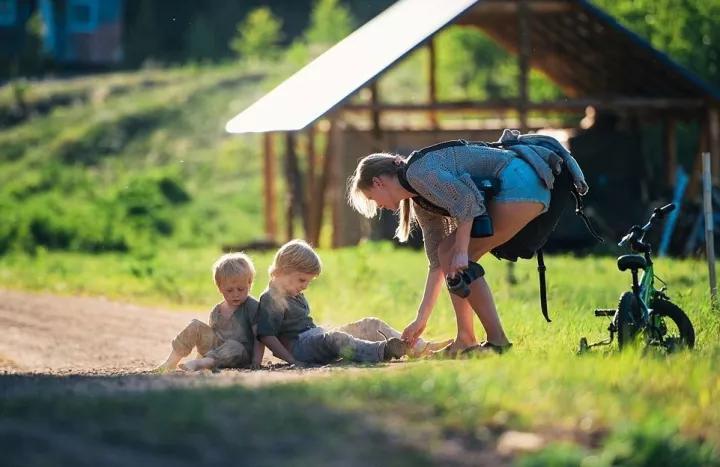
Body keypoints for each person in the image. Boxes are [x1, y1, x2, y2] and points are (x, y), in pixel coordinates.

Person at [347, 130, 588, 357]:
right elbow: (437, 263)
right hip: (525, 185)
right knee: (446, 254)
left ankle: (495, 343)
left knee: (456, 258)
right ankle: (466, 339)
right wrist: (421, 319)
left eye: (371, 197)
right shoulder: (420, 196)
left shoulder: (417, 173)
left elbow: (466, 203)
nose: (376, 205)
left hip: (521, 184)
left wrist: (462, 252)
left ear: (378, 182)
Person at [256, 239, 413, 365]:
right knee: (336, 338)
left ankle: (414, 346)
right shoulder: (271, 298)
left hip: (315, 336)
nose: (305, 286)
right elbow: (266, 336)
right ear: (283, 270)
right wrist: (292, 360)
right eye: (302, 280)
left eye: (308, 282)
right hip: (300, 347)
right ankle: (383, 350)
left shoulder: (293, 292)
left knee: (370, 324)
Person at [155, 252, 264, 372]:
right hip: (216, 350)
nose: (236, 294)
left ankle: (204, 363)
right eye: (229, 290)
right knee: (195, 325)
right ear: (220, 288)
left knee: (234, 346)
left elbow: (259, 336)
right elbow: (211, 337)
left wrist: (256, 361)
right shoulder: (217, 311)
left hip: (240, 354)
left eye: (241, 289)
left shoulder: (251, 306)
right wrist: (202, 354)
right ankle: (171, 362)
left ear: (249, 284)